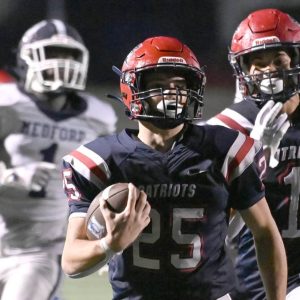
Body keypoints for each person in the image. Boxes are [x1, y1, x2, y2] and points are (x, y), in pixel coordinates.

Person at [61, 36, 287, 300]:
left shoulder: (227, 149)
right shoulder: (98, 162)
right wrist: (108, 245)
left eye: (179, 85)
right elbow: (71, 262)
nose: (172, 93)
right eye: (159, 85)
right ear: (131, 91)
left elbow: (265, 232)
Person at [0, 19, 117, 300]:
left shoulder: (98, 117)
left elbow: (105, 185)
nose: (62, 62)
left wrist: (104, 235)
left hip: (40, 249)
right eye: (53, 53)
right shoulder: (7, 102)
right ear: (28, 57)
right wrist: (9, 177)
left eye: (69, 55)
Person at [207, 8, 300, 300]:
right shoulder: (227, 129)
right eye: (258, 64)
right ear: (243, 71)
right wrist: (253, 156)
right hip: (245, 277)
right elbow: (212, 223)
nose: (270, 72)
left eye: (278, 60)